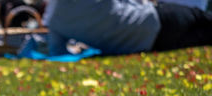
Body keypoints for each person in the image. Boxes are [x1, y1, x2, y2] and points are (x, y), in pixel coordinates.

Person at [45, 0, 212, 56]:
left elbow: (58, 51)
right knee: (202, 19)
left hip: (145, 44)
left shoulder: (53, 20)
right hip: (155, 19)